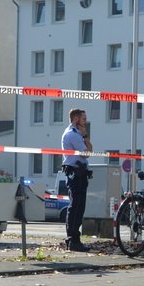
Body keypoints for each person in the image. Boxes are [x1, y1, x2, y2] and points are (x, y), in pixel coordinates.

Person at [61, 108, 92, 252]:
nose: (85, 122)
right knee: (76, 207)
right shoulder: (72, 135)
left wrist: (85, 137)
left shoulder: (77, 134)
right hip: (75, 174)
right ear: (75, 120)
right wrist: (85, 136)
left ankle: (74, 239)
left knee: (80, 207)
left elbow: (89, 151)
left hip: (80, 174)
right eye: (83, 119)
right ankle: (73, 239)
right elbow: (87, 153)